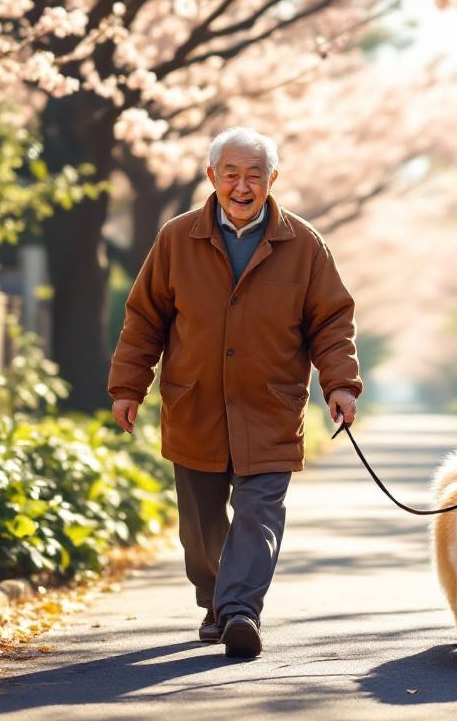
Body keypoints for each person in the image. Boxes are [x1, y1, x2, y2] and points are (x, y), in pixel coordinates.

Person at [108, 126, 361, 659]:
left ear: (272, 180)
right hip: (194, 403)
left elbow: (332, 323)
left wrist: (340, 384)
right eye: (231, 174)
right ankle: (215, 602)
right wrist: (129, 386)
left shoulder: (305, 245)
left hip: (270, 406)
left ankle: (241, 610)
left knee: (258, 514)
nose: (242, 186)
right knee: (200, 528)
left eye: (254, 175)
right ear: (212, 177)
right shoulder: (177, 238)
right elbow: (144, 319)